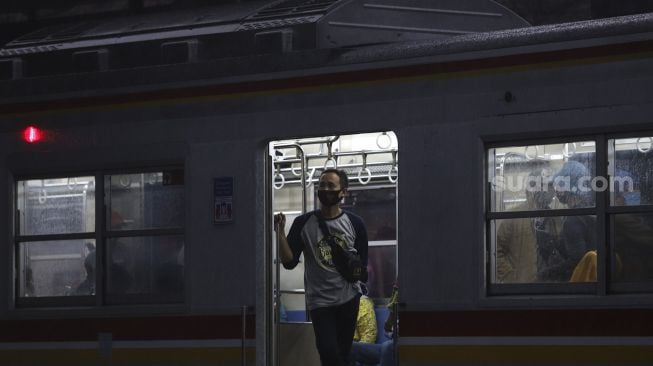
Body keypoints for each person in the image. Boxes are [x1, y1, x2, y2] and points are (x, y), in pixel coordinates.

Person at [275, 168, 368, 366]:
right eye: (321, 185)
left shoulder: (355, 224)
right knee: (328, 352)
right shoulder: (303, 223)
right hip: (320, 303)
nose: (325, 189)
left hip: (348, 299)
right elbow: (289, 262)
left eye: (331, 186)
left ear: (343, 191)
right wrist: (280, 233)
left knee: (342, 355)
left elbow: (362, 266)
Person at [496, 167, 559, 283]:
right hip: (522, 287)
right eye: (548, 186)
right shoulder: (513, 217)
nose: (551, 192)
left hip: (549, 287)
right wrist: (510, 276)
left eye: (552, 187)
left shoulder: (555, 218)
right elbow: (496, 251)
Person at [539, 160, 597, 282]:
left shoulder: (573, 221)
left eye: (560, 185)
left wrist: (547, 272)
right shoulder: (590, 211)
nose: (556, 190)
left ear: (570, 187)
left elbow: (577, 262)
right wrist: (555, 242)